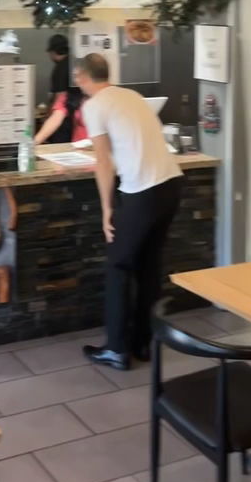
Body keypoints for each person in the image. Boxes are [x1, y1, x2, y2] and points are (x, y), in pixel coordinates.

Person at [75, 53, 182, 371]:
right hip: (171, 185)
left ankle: (117, 349)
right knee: (149, 265)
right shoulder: (132, 96)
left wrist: (107, 208)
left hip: (142, 191)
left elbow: (103, 161)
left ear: (82, 77)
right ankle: (143, 343)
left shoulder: (94, 105)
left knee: (118, 265)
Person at [47, 34, 70, 101]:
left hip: (67, 106)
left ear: (53, 52)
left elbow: (59, 97)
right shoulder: (75, 63)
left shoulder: (60, 69)